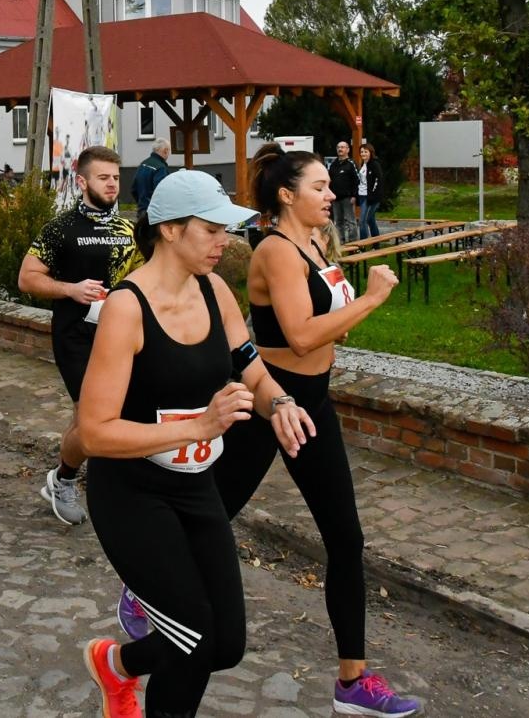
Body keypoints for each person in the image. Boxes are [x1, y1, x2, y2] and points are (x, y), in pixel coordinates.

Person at [214, 144, 419, 717]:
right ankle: (146, 584)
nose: (333, 195)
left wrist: (348, 312)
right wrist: (374, 298)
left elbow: (326, 321)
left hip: (313, 402)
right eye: (321, 187)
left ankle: (352, 683)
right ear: (288, 195)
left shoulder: (316, 242)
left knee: (346, 540)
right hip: (271, 401)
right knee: (212, 512)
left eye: (330, 187)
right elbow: (301, 336)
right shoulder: (277, 251)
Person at [77, 170, 258, 717]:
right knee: (194, 640)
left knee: (226, 643)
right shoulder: (127, 308)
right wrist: (199, 426)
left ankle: (117, 666)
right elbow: (93, 431)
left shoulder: (216, 288)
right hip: (131, 493)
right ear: (171, 230)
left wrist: (282, 404)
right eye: (212, 230)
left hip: (193, 483)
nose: (225, 242)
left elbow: (250, 366)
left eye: (227, 229)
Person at [18, 145, 139, 527]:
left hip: (120, 334)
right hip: (76, 336)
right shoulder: (61, 228)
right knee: (90, 418)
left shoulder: (126, 228)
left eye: (117, 178)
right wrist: (70, 289)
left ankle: (97, 482)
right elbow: (26, 278)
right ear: (82, 181)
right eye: (104, 178)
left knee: (123, 412)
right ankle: (66, 481)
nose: (112, 185)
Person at [329, 141, 360, 244]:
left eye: (342, 147)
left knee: (350, 221)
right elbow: (329, 180)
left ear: (347, 149)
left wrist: (354, 195)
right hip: (335, 198)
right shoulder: (333, 164)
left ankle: (353, 242)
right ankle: (340, 241)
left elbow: (357, 180)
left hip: (347, 197)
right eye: (338, 147)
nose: (340, 149)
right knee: (338, 221)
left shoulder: (351, 164)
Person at [132, 139, 172, 215]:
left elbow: (133, 189)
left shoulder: (143, 164)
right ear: (166, 150)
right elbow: (162, 193)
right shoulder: (161, 168)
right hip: (155, 214)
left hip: (141, 211)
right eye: (169, 151)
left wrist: (141, 203)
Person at [357, 142, 384, 240]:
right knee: (371, 220)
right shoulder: (363, 164)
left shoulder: (374, 164)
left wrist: (372, 196)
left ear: (370, 152)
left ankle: (363, 245)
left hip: (371, 197)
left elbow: (378, 180)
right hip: (362, 195)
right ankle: (376, 243)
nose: (363, 154)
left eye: (365, 152)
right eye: (362, 152)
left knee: (363, 221)